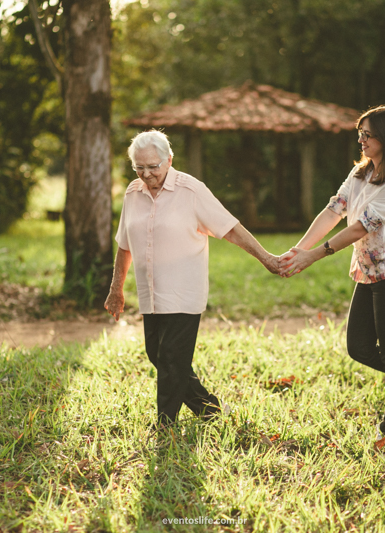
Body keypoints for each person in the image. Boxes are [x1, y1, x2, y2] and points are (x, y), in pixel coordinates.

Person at [280, 105, 385, 445]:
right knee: (358, 347)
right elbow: (334, 212)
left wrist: (315, 256)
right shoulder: (360, 174)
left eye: (367, 135)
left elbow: (358, 229)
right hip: (371, 274)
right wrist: (300, 249)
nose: (361, 140)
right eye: (359, 133)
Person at [105, 130, 279, 429]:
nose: (147, 174)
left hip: (183, 292)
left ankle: (164, 425)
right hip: (150, 293)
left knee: (171, 358)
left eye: (153, 166)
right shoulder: (133, 193)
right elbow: (124, 243)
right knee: (158, 355)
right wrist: (116, 289)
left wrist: (267, 258)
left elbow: (231, 228)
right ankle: (208, 408)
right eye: (140, 168)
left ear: (169, 160)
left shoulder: (191, 191)